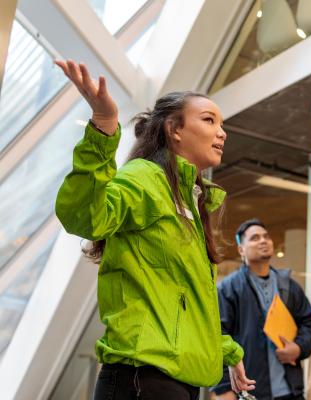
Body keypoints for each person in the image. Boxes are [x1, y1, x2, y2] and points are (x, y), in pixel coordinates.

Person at [53, 60, 254, 399]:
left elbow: (182, 300)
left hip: (176, 380)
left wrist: (227, 352)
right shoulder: (146, 177)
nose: (222, 132)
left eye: (222, 124)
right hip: (141, 376)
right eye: (209, 120)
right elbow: (84, 216)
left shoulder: (192, 203)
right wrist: (103, 126)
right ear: (174, 130)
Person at [213, 219, 311, 400]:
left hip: (290, 389)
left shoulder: (288, 285)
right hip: (249, 391)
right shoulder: (228, 289)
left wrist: (299, 348)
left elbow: (309, 323)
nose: (263, 241)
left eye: (266, 236)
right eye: (254, 238)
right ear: (241, 250)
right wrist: (224, 389)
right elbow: (217, 338)